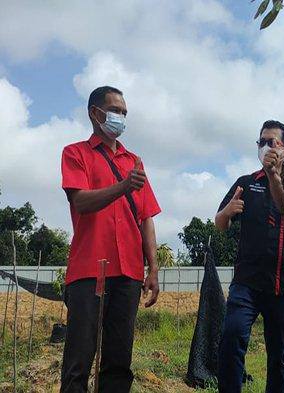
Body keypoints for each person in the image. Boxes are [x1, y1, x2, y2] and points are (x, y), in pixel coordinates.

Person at [60, 86, 161, 392]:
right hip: (90, 270)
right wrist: (123, 187)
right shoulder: (75, 153)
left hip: (128, 271)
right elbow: (80, 202)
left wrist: (153, 268)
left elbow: (146, 218)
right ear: (95, 113)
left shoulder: (134, 162)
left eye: (124, 113)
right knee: (79, 358)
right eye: (115, 110)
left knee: (119, 361)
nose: (120, 117)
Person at [215, 120, 284, 393]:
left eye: (272, 142)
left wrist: (275, 176)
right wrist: (228, 211)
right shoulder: (245, 183)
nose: (265, 147)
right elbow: (219, 223)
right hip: (246, 284)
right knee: (231, 339)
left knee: (279, 355)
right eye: (261, 142)